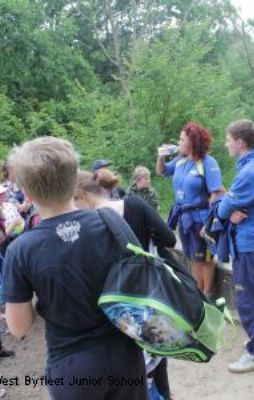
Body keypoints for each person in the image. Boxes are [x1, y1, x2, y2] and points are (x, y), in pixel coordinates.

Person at [3, 137, 148, 400]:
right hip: (126, 355)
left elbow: (19, 327)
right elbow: (141, 282)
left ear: (27, 192)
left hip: (72, 367)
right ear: (74, 182)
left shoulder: (21, 250)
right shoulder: (112, 223)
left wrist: (39, 302)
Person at [74, 170, 176, 400]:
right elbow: (169, 239)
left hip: (116, 311)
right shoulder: (135, 205)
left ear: (80, 196)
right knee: (157, 359)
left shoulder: (85, 226)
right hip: (149, 297)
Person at [216, 119, 254, 373]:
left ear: (240, 143)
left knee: (249, 299)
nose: (226, 144)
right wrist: (228, 210)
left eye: (228, 140)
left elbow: (223, 207)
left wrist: (226, 209)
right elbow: (229, 207)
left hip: (250, 245)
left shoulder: (250, 173)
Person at [156, 122, 223, 299]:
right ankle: (197, 293)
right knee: (193, 257)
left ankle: (207, 294)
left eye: (182, 139)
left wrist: (209, 223)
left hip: (201, 218)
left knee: (206, 258)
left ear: (192, 141)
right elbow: (162, 172)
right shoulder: (180, 160)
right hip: (183, 218)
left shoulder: (208, 163)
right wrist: (161, 157)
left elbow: (216, 193)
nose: (178, 143)